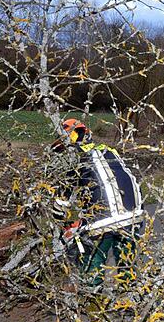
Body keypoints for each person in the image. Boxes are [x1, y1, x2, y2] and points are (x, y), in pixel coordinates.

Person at [52, 118, 144, 287]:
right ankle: (131, 298)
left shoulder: (73, 159)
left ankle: (92, 296)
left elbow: (61, 202)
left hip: (101, 223)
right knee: (127, 263)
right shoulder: (109, 151)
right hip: (133, 215)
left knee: (93, 262)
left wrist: (60, 222)